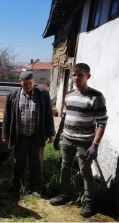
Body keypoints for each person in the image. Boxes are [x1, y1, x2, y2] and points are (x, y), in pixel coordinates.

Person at [50, 63, 108, 218]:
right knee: (65, 168)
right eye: (74, 75)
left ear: (87, 76)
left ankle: (89, 203)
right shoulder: (68, 95)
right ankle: (64, 195)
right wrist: (58, 136)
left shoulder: (96, 96)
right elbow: (64, 117)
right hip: (67, 139)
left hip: (85, 142)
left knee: (85, 172)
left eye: (80, 75)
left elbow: (102, 122)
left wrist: (95, 144)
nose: (76, 78)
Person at [2, 71, 55, 198]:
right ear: (20, 82)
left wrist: (50, 133)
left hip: (36, 136)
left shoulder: (42, 94)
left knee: (37, 163)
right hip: (19, 136)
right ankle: (18, 185)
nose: (28, 86)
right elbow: (7, 117)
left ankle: (36, 188)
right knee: (19, 162)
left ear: (34, 81)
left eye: (30, 83)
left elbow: (48, 115)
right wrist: (5, 134)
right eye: (25, 83)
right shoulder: (12, 96)